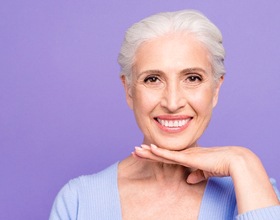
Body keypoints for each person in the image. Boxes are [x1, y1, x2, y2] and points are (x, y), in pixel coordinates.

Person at [49, 10, 280, 219]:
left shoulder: (253, 190)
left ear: (216, 89)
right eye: (152, 79)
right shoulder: (79, 201)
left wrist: (243, 160)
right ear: (128, 90)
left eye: (192, 78)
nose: (172, 102)